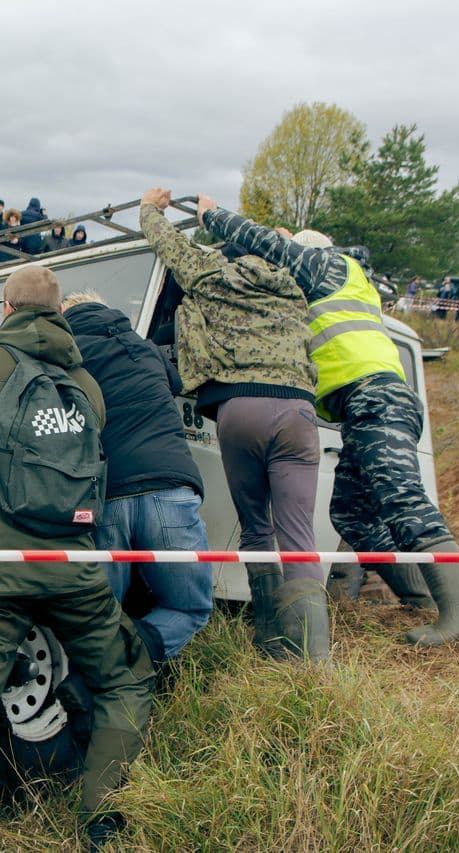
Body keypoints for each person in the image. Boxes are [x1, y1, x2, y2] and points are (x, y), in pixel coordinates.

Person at [0, 267, 154, 851]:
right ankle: (102, 823)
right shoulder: (87, 386)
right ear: (60, 310)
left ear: (7, 307)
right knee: (127, 678)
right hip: (75, 573)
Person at [198, 195, 459, 647]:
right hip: (359, 406)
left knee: (402, 499)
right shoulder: (318, 292)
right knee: (352, 513)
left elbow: (266, 244)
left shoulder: (329, 267)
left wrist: (211, 216)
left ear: (310, 252)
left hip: (378, 395)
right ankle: (419, 600)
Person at [139, 188, 332, 660]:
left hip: (239, 409)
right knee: (298, 536)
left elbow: (166, 244)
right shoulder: (294, 280)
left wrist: (149, 207)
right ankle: (312, 660)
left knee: (256, 529)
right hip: (298, 412)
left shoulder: (211, 274)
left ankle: (268, 640)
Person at [62, 288, 213, 664]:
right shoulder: (145, 348)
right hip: (171, 488)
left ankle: (101, 674)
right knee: (190, 608)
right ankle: (132, 661)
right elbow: (177, 384)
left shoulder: (67, 357)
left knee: (97, 615)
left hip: (106, 494)